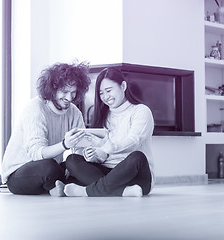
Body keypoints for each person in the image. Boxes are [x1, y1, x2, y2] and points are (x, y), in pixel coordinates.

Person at [1, 62, 91, 196]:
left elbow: (80, 148)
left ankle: (58, 186)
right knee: (49, 167)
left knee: (79, 165)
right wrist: (65, 145)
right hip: (20, 173)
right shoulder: (35, 108)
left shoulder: (74, 112)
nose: (69, 98)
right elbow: (37, 154)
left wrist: (89, 154)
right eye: (64, 92)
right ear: (52, 89)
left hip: (53, 168)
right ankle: (58, 186)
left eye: (73, 92)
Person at [63, 67, 155, 197]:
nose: (105, 97)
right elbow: (104, 155)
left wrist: (104, 145)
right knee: (72, 160)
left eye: (108, 90)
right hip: (109, 173)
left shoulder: (141, 111)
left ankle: (87, 191)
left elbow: (134, 141)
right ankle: (122, 191)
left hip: (135, 175)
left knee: (137, 157)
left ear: (123, 86)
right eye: (101, 93)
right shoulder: (103, 115)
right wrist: (94, 156)